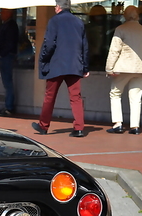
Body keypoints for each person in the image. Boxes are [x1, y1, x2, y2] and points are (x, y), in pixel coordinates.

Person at [31, 0, 89, 138]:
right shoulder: (79, 22)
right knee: (76, 97)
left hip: (56, 64)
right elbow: (85, 47)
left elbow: (49, 43)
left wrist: (43, 59)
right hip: (75, 65)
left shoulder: (54, 21)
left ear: (57, 7)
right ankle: (79, 128)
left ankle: (43, 126)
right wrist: (85, 66)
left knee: (49, 96)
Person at [105, 6, 142, 135]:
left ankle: (118, 123)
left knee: (115, 93)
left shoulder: (121, 29)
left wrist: (109, 68)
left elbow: (114, 50)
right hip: (139, 69)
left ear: (125, 15)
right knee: (136, 98)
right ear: (138, 15)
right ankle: (135, 126)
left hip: (122, 67)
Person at [0, 9, 19, 116]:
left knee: (8, 82)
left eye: (3, 12)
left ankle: (9, 107)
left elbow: (9, 43)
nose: (0, 14)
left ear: (9, 13)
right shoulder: (7, 25)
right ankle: (8, 106)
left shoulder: (10, 26)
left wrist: (0, 53)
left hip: (6, 56)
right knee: (7, 82)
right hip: (5, 55)